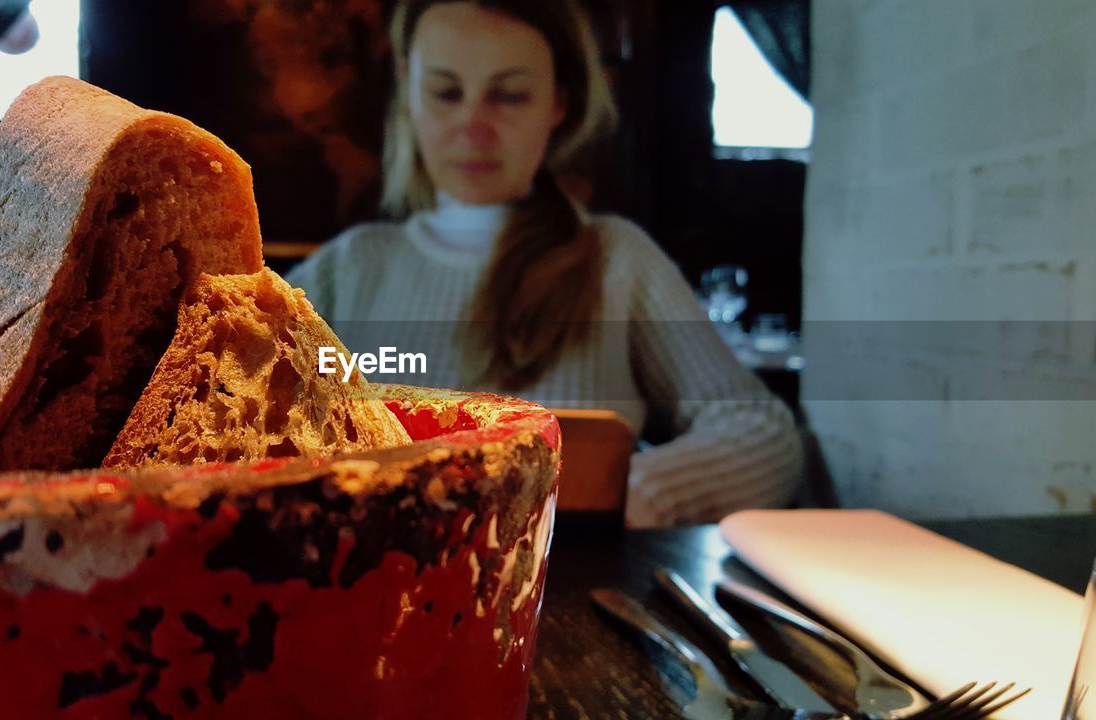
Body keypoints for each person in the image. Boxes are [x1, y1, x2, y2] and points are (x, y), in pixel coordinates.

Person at [285, 0, 804, 526]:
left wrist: (633, 491)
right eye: (445, 92)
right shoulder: (347, 269)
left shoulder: (615, 258)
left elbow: (764, 432)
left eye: (509, 95)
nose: (473, 125)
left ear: (558, 102)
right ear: (408, 91)